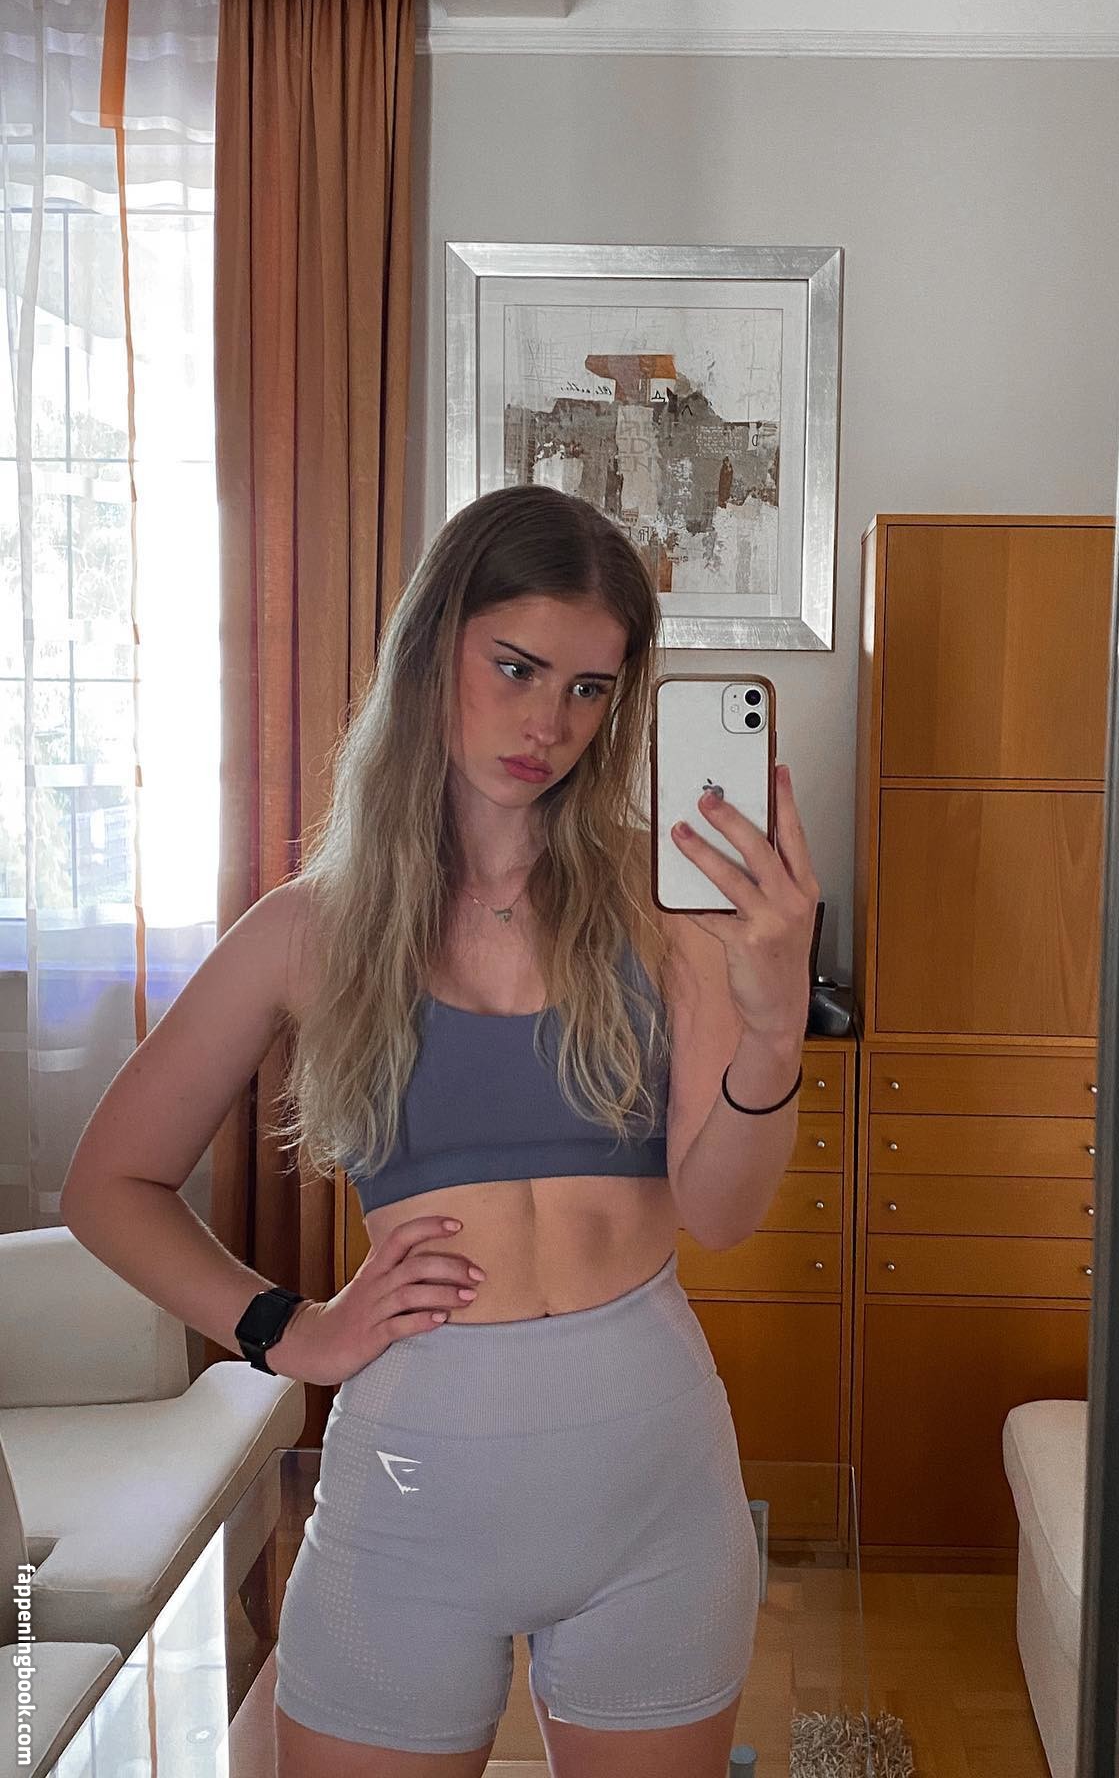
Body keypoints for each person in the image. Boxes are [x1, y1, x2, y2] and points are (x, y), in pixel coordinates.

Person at [59, 483, 821, 1778]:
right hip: (408, 1497)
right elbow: (108, 1183)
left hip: (654, 1489)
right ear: (433, 650)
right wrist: (290, 1331)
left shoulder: (671, 912)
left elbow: (722, 1212)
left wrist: (774, 1031)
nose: (548, 724)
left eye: (589, 689)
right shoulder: (309, 931)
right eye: (515, 667)